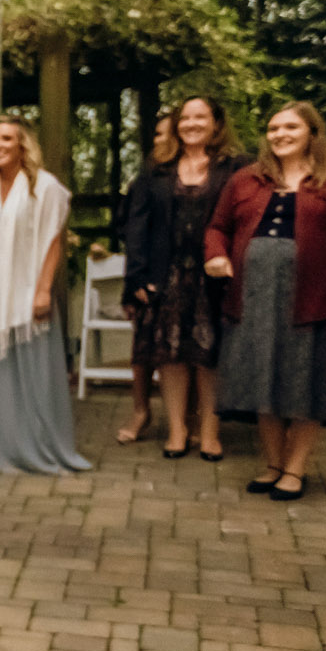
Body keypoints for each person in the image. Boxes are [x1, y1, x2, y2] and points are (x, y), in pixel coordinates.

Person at [206, 101, 326, 501]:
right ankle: (273, 464)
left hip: (312, 301)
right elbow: (217, 227)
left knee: (303, 385)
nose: (279, 134)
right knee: (263, 381)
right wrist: (217, 254)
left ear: (313, 132)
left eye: (290, 127)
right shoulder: (246, 179)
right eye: (273, 128)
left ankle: (295, 470)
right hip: (251, 298)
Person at [0, 117, 89, 474]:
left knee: (27, 373)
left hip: (24, 290)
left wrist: (43, 289)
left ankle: (27, 444)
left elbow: (53, 239)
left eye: (7, 138)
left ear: (23, 143)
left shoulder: (45, 187)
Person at [124, 97, 246, 461]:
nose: (191, 124)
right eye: (185, 118)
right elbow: (137, 226)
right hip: (167, 276)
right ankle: (177, 430)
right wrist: (137, 277)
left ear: (216, 123)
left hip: (215, 276)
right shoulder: (156, 170)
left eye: (200, 117)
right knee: (171, 356)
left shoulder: (238, 167)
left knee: (209, 355)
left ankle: (209, 431)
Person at [114, 111, 176, 444]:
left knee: (185, 351)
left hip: (185, 273)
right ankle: (141, 411)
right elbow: (132, 229)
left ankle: (187, 418)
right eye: (156, 133)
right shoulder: (146, 178)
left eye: (166, 133)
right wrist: (134, 280)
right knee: (144, 348)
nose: (159, 139)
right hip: (147, 272)